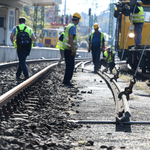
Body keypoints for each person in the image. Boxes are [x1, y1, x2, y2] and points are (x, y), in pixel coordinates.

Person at [62, 12, 81, 86]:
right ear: (78, 20)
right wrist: (73, 48)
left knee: (68, 66)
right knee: (70, 66)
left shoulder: (69, 25)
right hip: (69, 49)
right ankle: (67, 81)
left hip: (66, 49)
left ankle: (66, 80)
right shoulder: (73, 26)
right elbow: (70, 38)